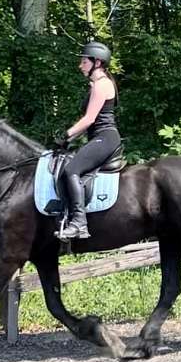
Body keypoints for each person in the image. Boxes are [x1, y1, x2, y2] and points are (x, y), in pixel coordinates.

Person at [55, 41, 121, 240]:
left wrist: (65, 135)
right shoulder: (98, 84)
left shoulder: (102, 85)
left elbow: (89, 119)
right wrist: (68, 141)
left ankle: (79, 223)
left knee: (71, 170)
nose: (80, 66)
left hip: (106, 138)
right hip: (99, 137)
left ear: (97, 62)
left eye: (84, 62)